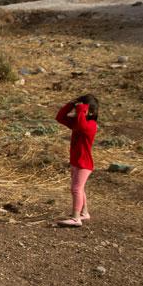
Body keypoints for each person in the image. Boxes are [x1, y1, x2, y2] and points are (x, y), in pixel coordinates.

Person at [55, 95, 98, 227]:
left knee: (76, 189)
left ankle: (75, 218)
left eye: (84, 108)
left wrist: (81, 109)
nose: (80, 110)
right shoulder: (78, 123)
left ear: (90, 112)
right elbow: (60, 117)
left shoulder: (91, 125)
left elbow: (81, 125)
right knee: (80, 188)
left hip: (84, 164)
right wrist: (71, 104)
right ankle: (84, 213)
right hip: (76, 161)